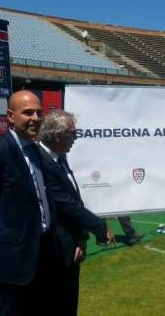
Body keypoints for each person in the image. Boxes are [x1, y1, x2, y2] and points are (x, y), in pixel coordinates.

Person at [0, 90, 63, 315]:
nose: (36, 118)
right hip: (8, 268)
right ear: (10, 116)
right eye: (27, 112)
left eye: (39, 112)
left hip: (42, 259)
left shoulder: (36, 151)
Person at [37, 109, 114, 315]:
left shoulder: (59, 157)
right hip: (54, 250)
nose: (75, 139)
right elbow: (65, 205)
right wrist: (100, 226)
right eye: (73, 134)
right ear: (58, 135)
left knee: (69, 305)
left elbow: (74, 200)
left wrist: (81, 238)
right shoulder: (41, 161)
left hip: (71, 247)